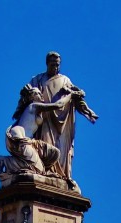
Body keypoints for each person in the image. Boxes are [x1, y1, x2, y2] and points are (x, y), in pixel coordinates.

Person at [23, 51, 98, 183]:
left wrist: (87, 111)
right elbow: (27, 95)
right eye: (52, 65)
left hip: (62, 124)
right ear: (47, 64)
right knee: (44, 147)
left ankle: (62, 176)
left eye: (57, 65)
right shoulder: (37, 79)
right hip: (44, 120)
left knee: (61, 150)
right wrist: (25, 94)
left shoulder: (65, 80)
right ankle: (44, 172)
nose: (55, 67)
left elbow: (76, 98)